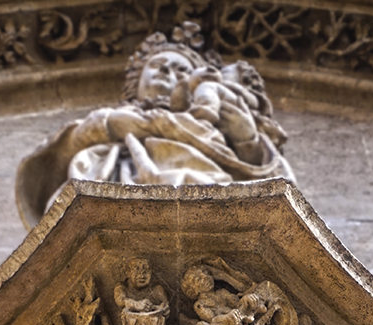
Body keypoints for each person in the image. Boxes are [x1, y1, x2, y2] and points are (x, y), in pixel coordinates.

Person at [15, 27, 295, 227]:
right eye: (157, 65)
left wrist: (246, 139)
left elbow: (276, 185)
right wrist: (111, 124)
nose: (166, 72)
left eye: (181, 70)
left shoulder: (211, 123)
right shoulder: (111, 118)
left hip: (197, 182)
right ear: (135, 84)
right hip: (113, 176)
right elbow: (59, 152)